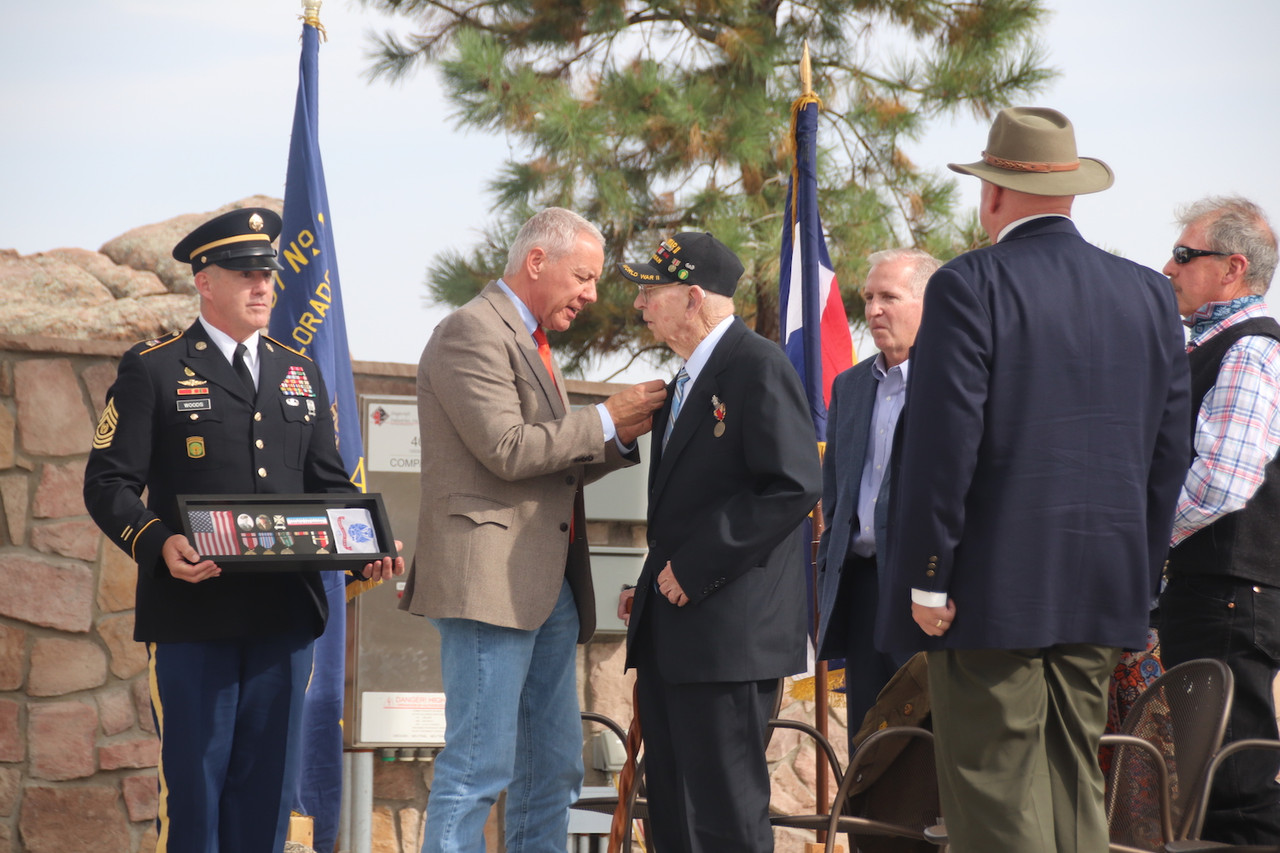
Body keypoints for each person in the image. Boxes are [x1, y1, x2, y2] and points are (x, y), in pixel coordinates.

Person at [875, 108, 1191, 853]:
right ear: (1072, 195)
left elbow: (944, 443)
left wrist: (927, 575)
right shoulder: (1149, 295)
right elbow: (1167, 454)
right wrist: (1137, 580)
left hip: (988, 591)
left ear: (992, 194)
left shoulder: (968, 284)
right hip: (1105, 587)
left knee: (994, 794)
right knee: (1072, 782)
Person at [82, 207, 404, 853]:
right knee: (196, 795)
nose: (263, 285)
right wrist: (157, 541)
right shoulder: (155, 368)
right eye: (245, 273)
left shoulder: (298, 370)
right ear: (204, 280)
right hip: (193, 616)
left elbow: (327, 483)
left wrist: (362, 547)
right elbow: (108, 483)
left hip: (283, 618)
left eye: (269, 273)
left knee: (266, 799)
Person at [398, 207, 666, 853]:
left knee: (555, 770)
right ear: (537, 261)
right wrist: (604, 419)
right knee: (478, 766)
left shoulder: (533, 343)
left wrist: (620, 435)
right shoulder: (470, 331)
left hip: (547, 590)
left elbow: (552, 468)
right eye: (585, 276)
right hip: (488, 586)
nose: (592, 294)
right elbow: (510, 448)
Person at [616, 231, 822, 853]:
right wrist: (652, 585)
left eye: (653, 291)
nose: (640, 305)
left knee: (724, 817)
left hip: (729, 637)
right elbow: (688, 508)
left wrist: (695, 565)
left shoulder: (757, 364)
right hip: (677, 635)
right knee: (674, 816)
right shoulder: (683, 381)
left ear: (695, 297)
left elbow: (793, 485)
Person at [1160, 196, 1280, 845]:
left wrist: (1143, 540)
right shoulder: (1215, 349)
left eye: (1184, 254)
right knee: (1209, 785)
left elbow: (1222, 479)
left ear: (1233, 268)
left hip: (1229, 596)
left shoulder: (1249, 349)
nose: (1169, 267)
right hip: (1213, 592)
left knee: (1236, 788)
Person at [815, 247, 940, 737]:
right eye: (868, 297)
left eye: (889, 296)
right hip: (861, 587)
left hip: (928, 592)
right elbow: (836, 493)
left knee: (928, 742)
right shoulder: (849, 386)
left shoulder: (957, 382)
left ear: (931, 302)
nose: (872, 310)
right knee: (869, 739)